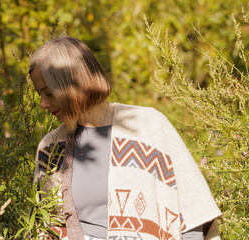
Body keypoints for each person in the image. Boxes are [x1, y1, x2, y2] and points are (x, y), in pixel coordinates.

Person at [29, 35, 222, 240]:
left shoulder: (148, 127)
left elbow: (192, 215)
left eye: (49, 93)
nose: (43, 104)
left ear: (74, 86)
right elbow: (43, 227)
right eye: (40, 94)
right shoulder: (51, 148)